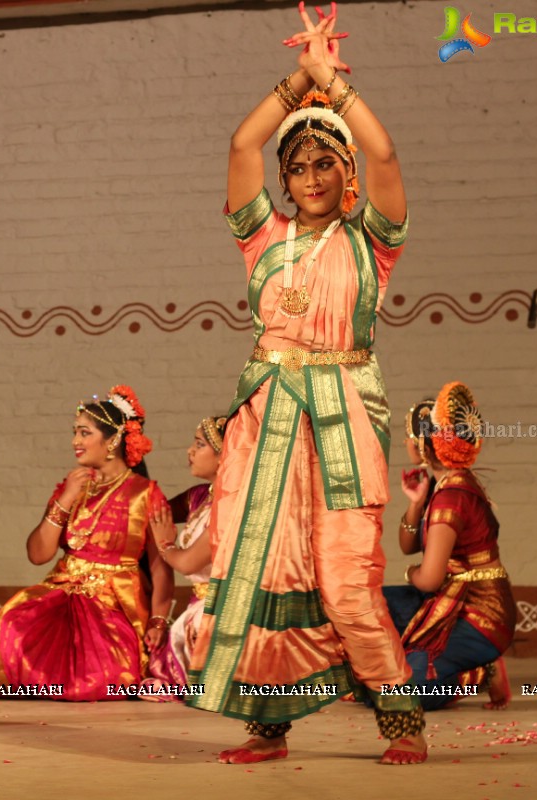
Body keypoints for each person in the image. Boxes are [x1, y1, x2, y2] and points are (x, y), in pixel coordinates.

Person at [185, 3, 427, 765]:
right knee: (259, 563)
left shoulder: (370, 245)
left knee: (345, 576)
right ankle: (268, 721)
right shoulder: (265, 239)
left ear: (344, 174)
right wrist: (300, 82)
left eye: (326, 163)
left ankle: (401, 716)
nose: (311, 176)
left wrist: (336, 89)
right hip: (266, 424)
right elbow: (240, 142)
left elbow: (387, 157)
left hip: (344, 418)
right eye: (300, 165)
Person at [0, 385, 173, 700]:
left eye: (84, 433)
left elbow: (160, 567)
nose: (75, 441)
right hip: (62, 591)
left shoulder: (145, 494)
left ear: (111, 440)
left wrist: (157, 620)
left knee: (100, 674)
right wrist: (67, 497)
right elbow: (38, 554)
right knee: (12, 623)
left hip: (113, 602)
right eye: (75, 432)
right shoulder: (72, 487)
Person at [383, 382, 516, 711]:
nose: (406, 441)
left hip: (479, 615)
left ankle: (479, 674)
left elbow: (428, 579)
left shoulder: (451, 498)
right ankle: (442, 665)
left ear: (427, 443)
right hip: (450, 599)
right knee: (373, 606)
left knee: (402, 694)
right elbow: (407, 544)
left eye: (411, 435)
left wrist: (411, 572)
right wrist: (415, 503)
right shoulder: (447, 484)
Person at [144, 416, 225, 692]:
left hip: (222, 608)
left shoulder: (232, 504)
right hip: (197, 604)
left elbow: (188, 561)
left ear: (225, 455)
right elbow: (155, 512)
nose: (190, 451)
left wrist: (166, 544)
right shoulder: (200, 495)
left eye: (200, 445)